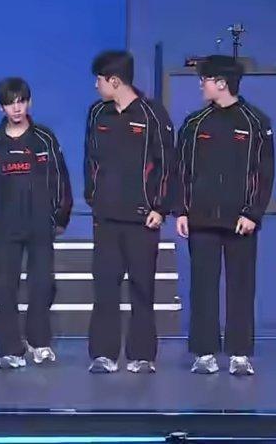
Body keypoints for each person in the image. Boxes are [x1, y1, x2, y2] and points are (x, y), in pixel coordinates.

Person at [174, 55, 274, 376]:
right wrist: (181, 210)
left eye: (204, 79)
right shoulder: (194, 123)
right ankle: (204, 353)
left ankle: (239, 354)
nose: (200, 85)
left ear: (221, 83)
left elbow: (264, 173)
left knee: (241, 287)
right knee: (202, 287)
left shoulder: (256, 122)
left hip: (241, 221)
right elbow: (181, 170)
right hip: (201, 219)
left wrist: (253, 213)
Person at [83, 50, 175, 374]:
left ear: (115, 81)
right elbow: (90, 160)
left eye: (99, 79)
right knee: (105, 287)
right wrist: (93, 197)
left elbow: (167, 164)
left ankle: (142, 355)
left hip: (142, 219)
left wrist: (160, 207)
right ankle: (103, 354)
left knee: (142, 287)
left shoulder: (153, 114)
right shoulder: (97, 113)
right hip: (106, 218)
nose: (95, 85)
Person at [0, 77, 72, 370]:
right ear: (1, 107)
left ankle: (39, 342)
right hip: (5, 228)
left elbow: (61, 178)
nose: (16, 108)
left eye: (21, 102)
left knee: (42, 285)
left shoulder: (45, 138)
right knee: (6, 289)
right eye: (10, 103)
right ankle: (10, 350)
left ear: (29, 103)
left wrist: (60, 216)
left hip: (40, 225)